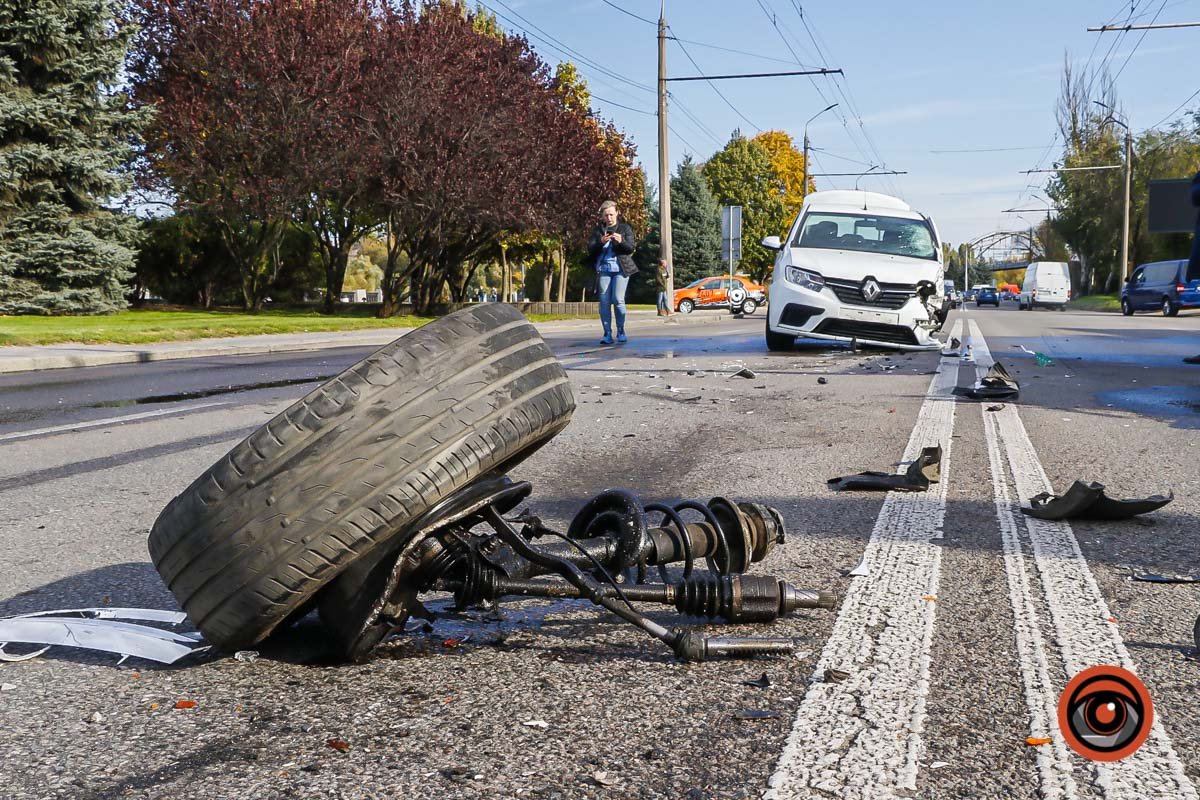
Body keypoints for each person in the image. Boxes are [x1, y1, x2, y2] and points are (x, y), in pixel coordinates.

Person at [586, 200, 637, 344]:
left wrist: (621, 241)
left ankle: (621, 330)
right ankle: (607, 333)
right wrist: (600, 242)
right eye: (606, 215)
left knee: (618, 299)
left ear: (617, 213)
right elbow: (590, 249)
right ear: (602, 216)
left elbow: (630, 248)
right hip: (604, 270)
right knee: (604, 301)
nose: (609, 218)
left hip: (621, 269)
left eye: (611, 214)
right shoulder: (598, 230)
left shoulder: (625, 228)